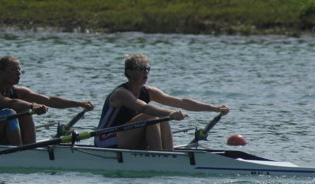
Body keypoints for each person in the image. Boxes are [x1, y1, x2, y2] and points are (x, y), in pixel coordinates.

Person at [95, 53, 229, 149]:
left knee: (160, 117)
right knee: (151, 115)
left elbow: (181, 102)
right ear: (129, 72)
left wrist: (215, 108)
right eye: (141, 69)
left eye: (147, 69)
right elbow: (145, 109)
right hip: (105, 139)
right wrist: (171, 113)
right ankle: (161, 156)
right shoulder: (121, 93)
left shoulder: (149, 91)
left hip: (126, 136)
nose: (145, 73)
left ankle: (168, 153)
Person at [0, 56, 94, 145]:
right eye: (13, 69)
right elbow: (10, 103)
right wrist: (33, 106)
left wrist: (78, 104)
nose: (18, 73)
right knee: (10, 112)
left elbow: (49, 100)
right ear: (1, 73)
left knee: (23, 109)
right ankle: (21, 152)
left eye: (19, 69)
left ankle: (30, 147)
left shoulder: (19, 92)